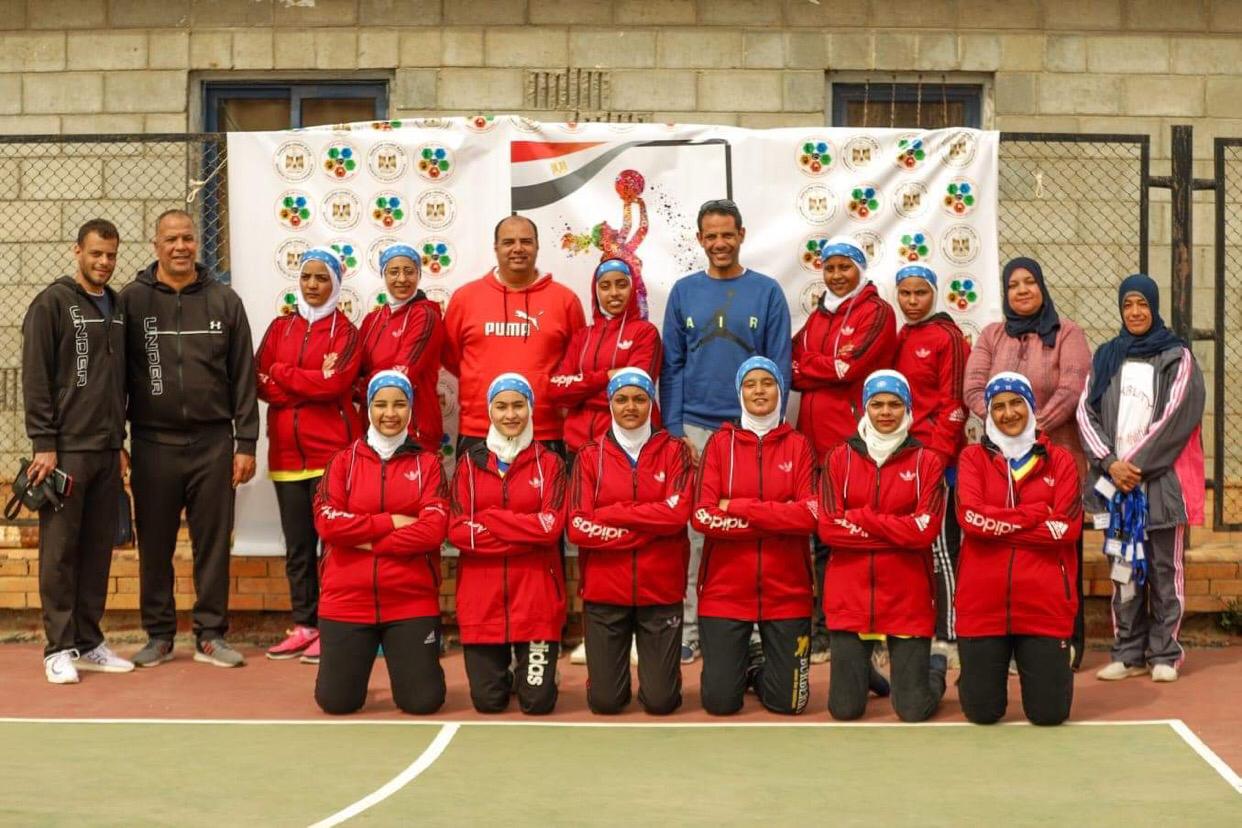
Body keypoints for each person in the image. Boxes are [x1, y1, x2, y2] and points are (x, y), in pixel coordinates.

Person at [119, 209, 259, 669]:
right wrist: (116, 440)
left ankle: (211, 635)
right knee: (154, 544)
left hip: (213, 442)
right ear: (156, 245)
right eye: (171, 239)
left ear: (197, 243)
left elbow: (244, 375)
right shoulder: (132, 301)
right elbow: (114, 377)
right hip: (153, 443)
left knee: (212, 544)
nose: (181, 247)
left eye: (188, 238)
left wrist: (245, 443)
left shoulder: (224, 300)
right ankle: (159, 635)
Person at [661, 198, 792, 665]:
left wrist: (768, 431)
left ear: (741, 235)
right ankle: (691, 627)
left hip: (750, 433)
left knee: (751, 529)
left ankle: (752, 630)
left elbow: (779, 366)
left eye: (727, 234)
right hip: (695, 429)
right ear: (700, 239)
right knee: (697, 534)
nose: (720, 243)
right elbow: (671, 367)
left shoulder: (767, 292)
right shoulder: (683, 292)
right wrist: (674, 430)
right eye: (711, 236)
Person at [1077, 274, 1205, 684]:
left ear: (1154, 307)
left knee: (1164, 569)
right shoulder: (1106, 356)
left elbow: (1177, 417)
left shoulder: (1177, 357)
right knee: (1124, 570)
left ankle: (1165, 652)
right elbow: (1085, 413)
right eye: (1128, 305)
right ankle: (1129, 652)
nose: (1134, 312)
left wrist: (1132, 467)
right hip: (1114, 486)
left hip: (1160, 486)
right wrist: (1109, 463)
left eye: (1142, 304)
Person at [963, 257, 1091, 668]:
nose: (1022, 290)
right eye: (1013, 284)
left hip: (1056, 459)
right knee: (1003, 552)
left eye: (1029, 282)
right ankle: (1012, 645)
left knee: (1058, 553)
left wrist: (1031, 430)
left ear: (1042, 287)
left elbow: (1072, 389)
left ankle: (1066, 643)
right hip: (997, 463)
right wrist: (1004, 424)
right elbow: (973, 387)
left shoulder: (1067, 333)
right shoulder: (992, 335)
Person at [21, 218, 133, 683]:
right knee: (61, 552)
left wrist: (119, 442)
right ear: (77, 251)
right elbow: (35, 376)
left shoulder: (118, 306)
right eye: (96, 253)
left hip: (107, 449)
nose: (104, 262)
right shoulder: (51, 303)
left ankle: (89, 642)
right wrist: (44, 443)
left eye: (110, 255)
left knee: (97, 551)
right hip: (66, 451)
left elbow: (118, 381)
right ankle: (57, 648)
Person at [312, 371, 449, 714]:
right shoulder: (342, 463)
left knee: (423, 702)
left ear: (410, 409)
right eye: (381, 404)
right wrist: (390, 521)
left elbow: (433, 531)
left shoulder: (429, 464)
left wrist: (368, 542)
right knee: (336, 702)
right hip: (346, 600)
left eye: (399, 404)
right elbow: (328, 524)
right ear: (369, 408)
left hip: (410, 600)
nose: (390, 413)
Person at [817, 370, 948, 721]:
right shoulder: (838, 458)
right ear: (865, 408)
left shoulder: (927, 461)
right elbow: (829, 528)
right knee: (845, 710)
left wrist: (861, 518)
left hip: (906, 598)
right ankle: (865, 673)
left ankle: (935, 668)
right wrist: (897, 530)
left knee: (912, 710)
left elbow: (924, 532)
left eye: (894, 404)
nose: (886, 412)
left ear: (908, 409)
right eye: (877, 404)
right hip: (850, 597)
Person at [791, 236, 897, 662]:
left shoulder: (877, 311)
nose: (836, 275)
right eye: (830, 268)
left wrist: (814, 368)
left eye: (844, 267)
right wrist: (824, 368)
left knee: (863, 540)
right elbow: (791, 369)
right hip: (815, 450)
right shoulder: (818, 316)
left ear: (860, 269)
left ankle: (873, 634)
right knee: (823, 541)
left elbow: (849, 369)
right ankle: (825, 631)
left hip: (856, 447)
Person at [956, 372, 1082, 726]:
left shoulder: (1061, 461)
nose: (1008, 413)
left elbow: (1065, 529)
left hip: (1044, 606)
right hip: (982, 606)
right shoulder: (972, 459)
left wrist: (997, 526)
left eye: (1016, 403)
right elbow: (971, 520)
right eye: (998, 406)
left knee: (1049, 715)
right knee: (982, 714)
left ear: (1030, 406)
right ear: (989, 413)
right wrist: (1036, 514)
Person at [692, 356, 815, 716]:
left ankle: (758, 666)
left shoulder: (799, 445)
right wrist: (778, 517)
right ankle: (740, 664)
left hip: (787, 593)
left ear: (780, 390)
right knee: (720, 703)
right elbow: (703, 516)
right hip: (725, 593)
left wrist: (738, 507)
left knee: (790, 704)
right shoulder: (719, 444)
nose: (759, 391)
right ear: (739, 392)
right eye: (750, 384)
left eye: (767, 383)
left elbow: (809, 516)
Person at [256, 248, 362, 664]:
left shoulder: (346, 332)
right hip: (286, 457)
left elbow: (334, 386)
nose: (313, 285)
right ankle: (305, 625)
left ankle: (332, 628)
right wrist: (306, 383)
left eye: (322, 278)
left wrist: (283, 374)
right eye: (307, 277)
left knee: (332, 548)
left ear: (335, 283)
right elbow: (259, 380)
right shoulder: (280, 327)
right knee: (298, 548)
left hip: (331, 457)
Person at [567, 368, 692, 715]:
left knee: (662, 703)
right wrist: (648, 527)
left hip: (661, 593)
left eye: (640, 399)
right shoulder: (589, 455)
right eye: (621, 399)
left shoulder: (675, 452)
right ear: (610, 403)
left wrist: (611, 514)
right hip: (605, 593)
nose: (631, 407)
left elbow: (677, 515)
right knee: (605, 702)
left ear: (651, 403)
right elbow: (577, 526)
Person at [448, 373, 568, 715]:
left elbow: (550, 528)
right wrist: (525, 531)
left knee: (537, 703)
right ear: (490, 411)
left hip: (536, 601)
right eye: (501, 407)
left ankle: (539, 675)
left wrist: (489, 519)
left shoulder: (551, 464)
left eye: (518, 405)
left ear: (530, 408)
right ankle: (509, 674)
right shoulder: (468, 464)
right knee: (488, 703)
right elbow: (458, 532)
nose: (511, 414)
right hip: (482, 603)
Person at [442, 215, 586, 456]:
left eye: (526, 241)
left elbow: (576, 363)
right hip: (479, 430)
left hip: (544, 431)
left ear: (537, 246)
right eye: (508, 242)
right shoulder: (465, 299)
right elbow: (451, 358)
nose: (518, 249)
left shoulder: (565, 301)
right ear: (496, 247)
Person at [891, 265, 970, 657]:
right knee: (910, 549)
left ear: (934, 293)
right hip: (904, 458)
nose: (912, 301)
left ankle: (950, 636)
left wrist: (936, 460)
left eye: (920, 293)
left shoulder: (947, 337)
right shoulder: (902, 336)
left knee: (941, 548)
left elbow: (954, 406)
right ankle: (919, 627)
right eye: (905, 293)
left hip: (938, 463)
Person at [548, 258, 662, 459]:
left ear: (632, 288)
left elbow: (634, 392)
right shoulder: (582, 336)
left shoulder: (645, 333)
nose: (614, 293)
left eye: (621, 284)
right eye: (605, 286)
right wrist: (607, 376)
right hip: (579, 450)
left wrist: (578, 396)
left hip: (627, 449)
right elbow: (557, 391)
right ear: (596, 291)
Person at [356, 244, 445, 453]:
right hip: (374, 429)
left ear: (419, 275)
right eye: (394, 272)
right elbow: (352, 371)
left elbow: (400, 376)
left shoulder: (425, 316)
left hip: (414, 431)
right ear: (384, 275)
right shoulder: (372, 320)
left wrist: (358, 387)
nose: (402, 279)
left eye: (409, 271)